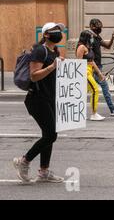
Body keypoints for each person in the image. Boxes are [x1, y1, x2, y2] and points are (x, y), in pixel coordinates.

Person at [13, 22, 66, 183]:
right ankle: (24, 161)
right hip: (37, 99)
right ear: (46, 34)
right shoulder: (39, 50)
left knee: (48, 134)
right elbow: (34, 75)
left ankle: (44, 172)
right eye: (55, 30)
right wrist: (53, 66)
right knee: (51, 134)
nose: (59, 32)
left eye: (59, 30)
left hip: (50, 97)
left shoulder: (55, 51)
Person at [89, 19, 114, 116]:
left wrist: (113, 37)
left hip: (97, 67)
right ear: (91, 26)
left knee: (92, 89)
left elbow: (108, 46)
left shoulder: (97, 37)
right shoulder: (90, 37)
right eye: (97, 26)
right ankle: (112, 109)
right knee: (104, 87)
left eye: (100, 26)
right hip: (93, 67)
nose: (99, 28)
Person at [76, 30, 105, 121]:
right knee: (95, 89)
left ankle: (78, 112)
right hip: (85, 72)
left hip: (90, 71)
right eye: (91, 37)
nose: (92, 39)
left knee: (83, 93)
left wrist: (99, 74)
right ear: (86, 37)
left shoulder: (89, 47)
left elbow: (92, 62)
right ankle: (94, 113)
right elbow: (79, 62)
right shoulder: (81, 47)